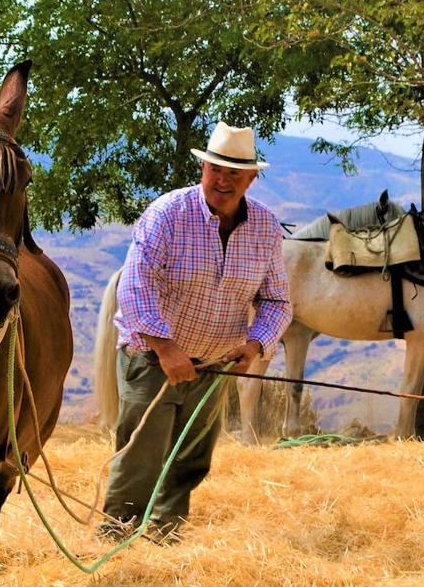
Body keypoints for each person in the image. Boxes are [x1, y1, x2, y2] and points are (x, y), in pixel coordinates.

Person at [99, 122, 293, 543]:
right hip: (151, 359)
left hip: (213, 366)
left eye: (234, 174)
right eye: (215, 169)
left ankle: (164, 537)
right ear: (203, 167)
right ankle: (117, 540)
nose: (222, 180)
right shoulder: (168, 213)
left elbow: (277, 301)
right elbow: (134, 286)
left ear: (251, 178)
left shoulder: (265, 228)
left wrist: (256, 343)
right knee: (141, 457)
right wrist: (166, 348)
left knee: (191, 459)